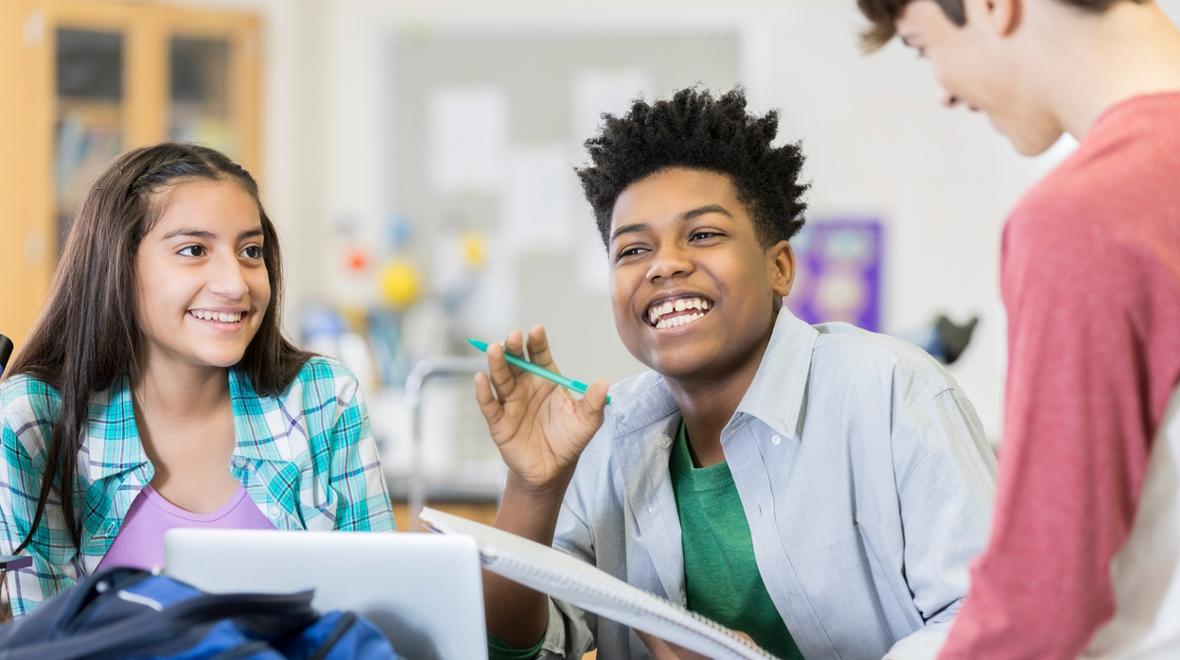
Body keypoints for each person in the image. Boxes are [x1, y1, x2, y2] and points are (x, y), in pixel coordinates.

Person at [473, 87, 997, 659]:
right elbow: (516, 651)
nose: (664, 264)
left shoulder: (897, 395)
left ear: (778, 267)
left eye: (703, 234)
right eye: (631, 250)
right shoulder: (607, 438)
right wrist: (533, 488)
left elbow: (992, 627)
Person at [854, 0, 1180, 656]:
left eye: (923, 46)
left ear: (993, 7)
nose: (943, 91)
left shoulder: (1086, 218)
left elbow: (1044, 600)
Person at [0, 143, 395, 618]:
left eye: (250, 251)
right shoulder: (33, 422)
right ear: (116, 265)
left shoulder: (322, 398)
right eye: (193, 250)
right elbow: (39, 642)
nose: (235, 283)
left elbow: (384, 623)